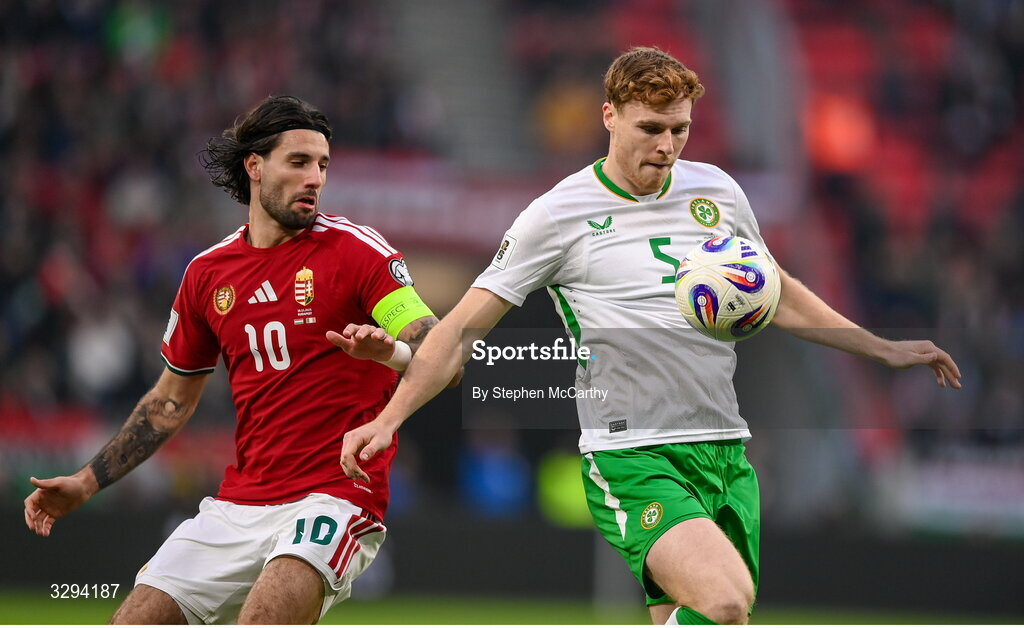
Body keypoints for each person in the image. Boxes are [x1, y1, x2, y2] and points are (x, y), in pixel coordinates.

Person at [336, 48, 963, 625]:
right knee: (725, 605)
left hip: (724, 450)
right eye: (651, 128)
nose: (667, 146)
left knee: (698, 618)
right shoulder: (558, 215)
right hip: (634, 453)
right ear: (609, 115)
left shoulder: (717, 191)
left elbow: (776, 291)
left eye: (679, 130)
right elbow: (458, 331)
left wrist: (879, 346)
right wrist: (390, 419)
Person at [23, 95, 450, 624]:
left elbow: (443, 352)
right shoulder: (207, 274)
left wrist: (397, 352)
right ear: (254, 166)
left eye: (322, 165)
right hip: (239, 503)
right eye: (298, 162)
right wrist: (87, 481)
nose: (314, 178)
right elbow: (170, 402)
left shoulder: (356, 252)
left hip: (334, 498)